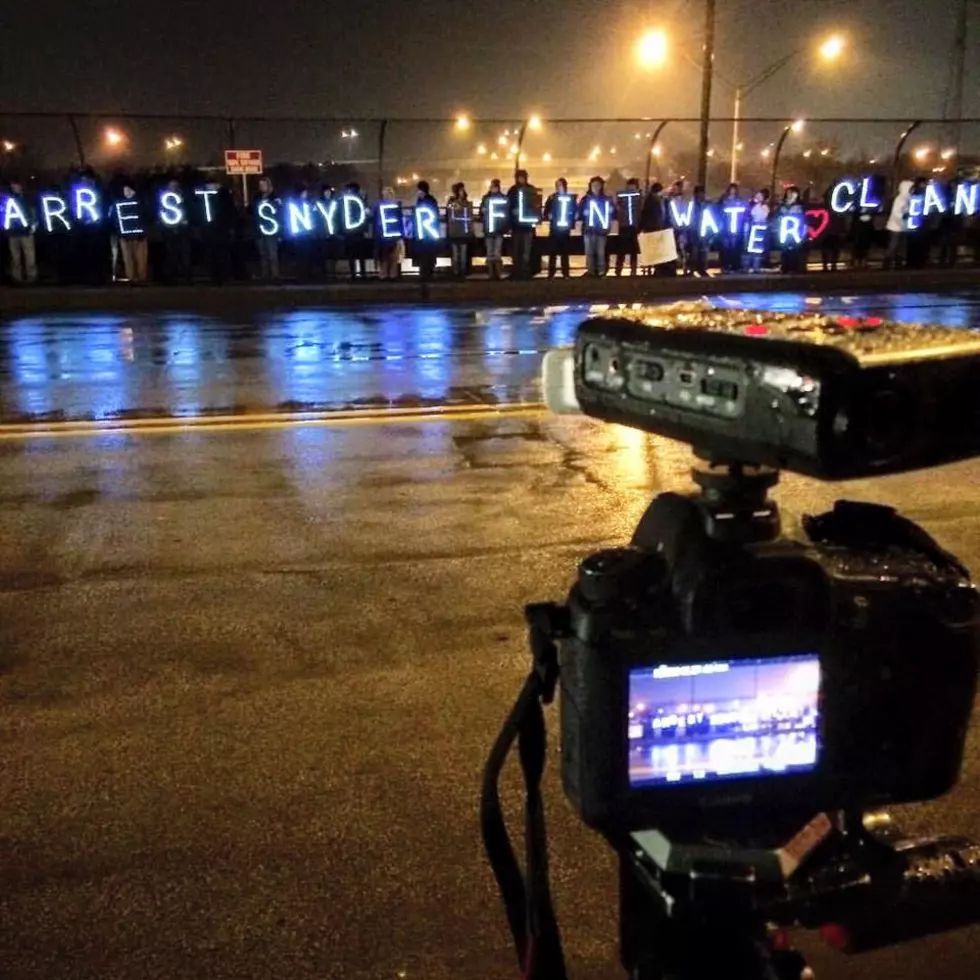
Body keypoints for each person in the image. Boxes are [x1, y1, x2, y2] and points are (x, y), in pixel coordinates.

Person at [110, 181, 150, 283]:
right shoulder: (119, 203)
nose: (126, 192)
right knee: (128, 258)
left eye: (128, 190)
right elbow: (115, 219)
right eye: (124, 190)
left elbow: (146, 218)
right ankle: (131, 277)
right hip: (125, 235)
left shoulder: (141, 202)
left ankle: (141, 277)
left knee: (140, 257)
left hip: (139, 235)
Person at [3, 178, 38, 284]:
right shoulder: (9, 199)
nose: (14, 188)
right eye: (12, 186)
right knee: (15, 256)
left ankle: (31, 276)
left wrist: (33, 226)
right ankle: (17, 276)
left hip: (25, 231)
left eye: (15, 185)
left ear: (20, 186)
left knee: (29, 255)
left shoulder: (26, 199)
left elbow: (33, 212)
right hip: (13, 231)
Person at [579, 175, 614, 277]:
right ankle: (591, 271)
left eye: (598, 185)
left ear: (601, 186)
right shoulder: (585, 199)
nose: (596, 187)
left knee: (600, 252)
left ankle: (601, 271)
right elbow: (579, 213)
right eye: (594, 185)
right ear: (590, 186)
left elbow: (612, 212)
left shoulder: (606, 199)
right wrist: (583, 213)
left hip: (601, 231)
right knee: (589, 253)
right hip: (589, 230)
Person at [639, 181, 676, 277]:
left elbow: (645, 214)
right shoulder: (657, 201)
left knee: (657, 252)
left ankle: (658, 270)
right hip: (656, 229)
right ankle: (659, 270)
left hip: (654, 228)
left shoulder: (653, 200)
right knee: (658, 252)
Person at [507, 169, 538, 280]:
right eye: (519, 177)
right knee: (516, 251)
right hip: (517, 227)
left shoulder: (524, 190)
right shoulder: (514, 191)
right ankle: (517, 272)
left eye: (522, 177)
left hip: (526, 227)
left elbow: (536, 206)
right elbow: (508, 207)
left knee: (526, 251)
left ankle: (525, 273)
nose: (521, 179)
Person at [160, 178, 192, 284]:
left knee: (184, 253)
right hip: (170, 228)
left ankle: (186, 276)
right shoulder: (166, 199)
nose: (173, 188)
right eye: (172, 186)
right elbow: (162, 212)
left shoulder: (183, 197)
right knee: (171, 254)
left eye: (175, 186)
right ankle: (173, 276)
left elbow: (188, 209)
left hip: (182, 229)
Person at [543, 177, 574, 278]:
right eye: (557, 185)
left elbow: (574, 211)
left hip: (564, 230)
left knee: (564, 252)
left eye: (559, 185)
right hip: (555, 229)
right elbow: (546, 212)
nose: (558, 187)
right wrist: (548, 215)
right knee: (553, 252)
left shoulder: (567, 198)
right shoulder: (552, 198)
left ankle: (565, 273)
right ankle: (551, 273)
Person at [253, 176, 282, 281]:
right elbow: (252, 213)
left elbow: (280, 213)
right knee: (263, 254)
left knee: (272, 254)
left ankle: (275, 275)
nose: (262, 187)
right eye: (260, 185)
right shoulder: (256, 198)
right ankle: (265, 275)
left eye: (264, 184)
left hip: (272, 230)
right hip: (260, 230)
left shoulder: (275, 198)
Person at [374, 186, 403, 281]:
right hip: (388, 234)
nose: (386, 196)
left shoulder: (379, 206)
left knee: (389, 256)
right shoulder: (396, 205)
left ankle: (386, 274)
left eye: (387, 194)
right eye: (385, 194)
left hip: (387, 234)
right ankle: (389, 274)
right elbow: (400, 220)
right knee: (387, 256)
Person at [481, 178, 508, 280]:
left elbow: (482, 213)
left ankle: (492, 273)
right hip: (496, 229)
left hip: (491, 229)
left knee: (493, 252)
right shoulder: (503, 198)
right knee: (495, 252)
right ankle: (496, 273)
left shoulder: (486, 198)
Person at [615, 177, 642, 276]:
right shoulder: (638, 196)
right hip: (627, 226)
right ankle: (621, 269)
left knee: (632, 250)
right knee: (624, 249)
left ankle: (627, 269)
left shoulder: (622, 195)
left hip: (631, 226)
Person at [414, 180, 440, 282]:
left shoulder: (421, 201)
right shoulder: (431, 200)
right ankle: (428, 272)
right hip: (430, 232)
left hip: (425, 233)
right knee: (429, 254)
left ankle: (425, 273)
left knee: (425, 254)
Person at [446, 182, 473, 279]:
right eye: (461, 190)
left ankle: (462, 272)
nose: (462, 191)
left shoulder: (464, 202)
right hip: (456, 232)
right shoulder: (453, 202)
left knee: (462, 254)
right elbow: (450, 210)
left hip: (461, 233)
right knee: (456, 255)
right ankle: (456, 271)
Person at [777, 185, 806, 274]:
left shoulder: (800, 206)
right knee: (784, 250)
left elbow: (803, 219)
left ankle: (793, 268)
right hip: (784, 231)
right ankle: (785, 267)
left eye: (793, 193)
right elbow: (778, 216)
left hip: (795, 231)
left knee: (794, 250)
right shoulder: (783, 205)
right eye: (789, 193)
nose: (790, 195)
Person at [717, 182, 745, 273]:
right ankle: (725, 265)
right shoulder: (724, 200)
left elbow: (744, 212)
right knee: (725, 248)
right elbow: (719, 211)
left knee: (734, 247)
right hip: (726, 228)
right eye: (731, 189)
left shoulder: (739, 201)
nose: (732, 191)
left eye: (734, 190)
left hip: (736, 228)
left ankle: (734, 265)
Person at [884, 179, 912, 270]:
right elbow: (896, 212)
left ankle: (897, 263)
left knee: (900, 246)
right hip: (896, 226)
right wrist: (904, 216)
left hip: (902, 226)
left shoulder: (907, 198)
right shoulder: (900, 199)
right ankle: (888, 263)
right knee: (894, 245)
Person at [342, 182, 368, 280]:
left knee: (352, 255)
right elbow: (366, 215)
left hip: (350, 232)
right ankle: (362, 273)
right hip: (358, 231)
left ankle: (354, 274)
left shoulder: (345, 201)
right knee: (360, 254)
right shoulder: (361, 200)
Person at [745, 188, 771, 273]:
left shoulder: (765, 207)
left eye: (760, 195)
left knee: (757, 247)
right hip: (752, 227)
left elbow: (762, 217)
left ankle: (756, 265)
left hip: (759, 228)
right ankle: (750, 265)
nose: (757, 196)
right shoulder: (753, 205)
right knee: (751, 247)